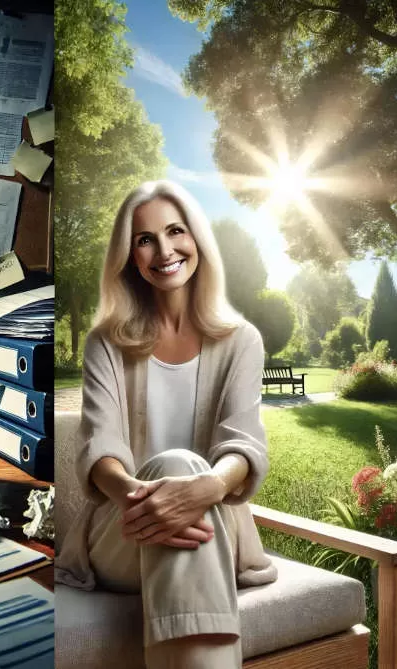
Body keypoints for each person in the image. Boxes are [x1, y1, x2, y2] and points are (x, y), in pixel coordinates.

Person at [56, 181, 278, 668]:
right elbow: (102, 446)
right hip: (121, 529)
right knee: (177, 466)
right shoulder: (105, 343)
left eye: (176, 231)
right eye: (144, 239)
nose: (164, 250)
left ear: (197, 237)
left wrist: (207, 488)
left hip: (213, 523)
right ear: (129, 256)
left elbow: (244, 443)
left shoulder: (242, 341)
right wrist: (151, 502)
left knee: (185, 477)